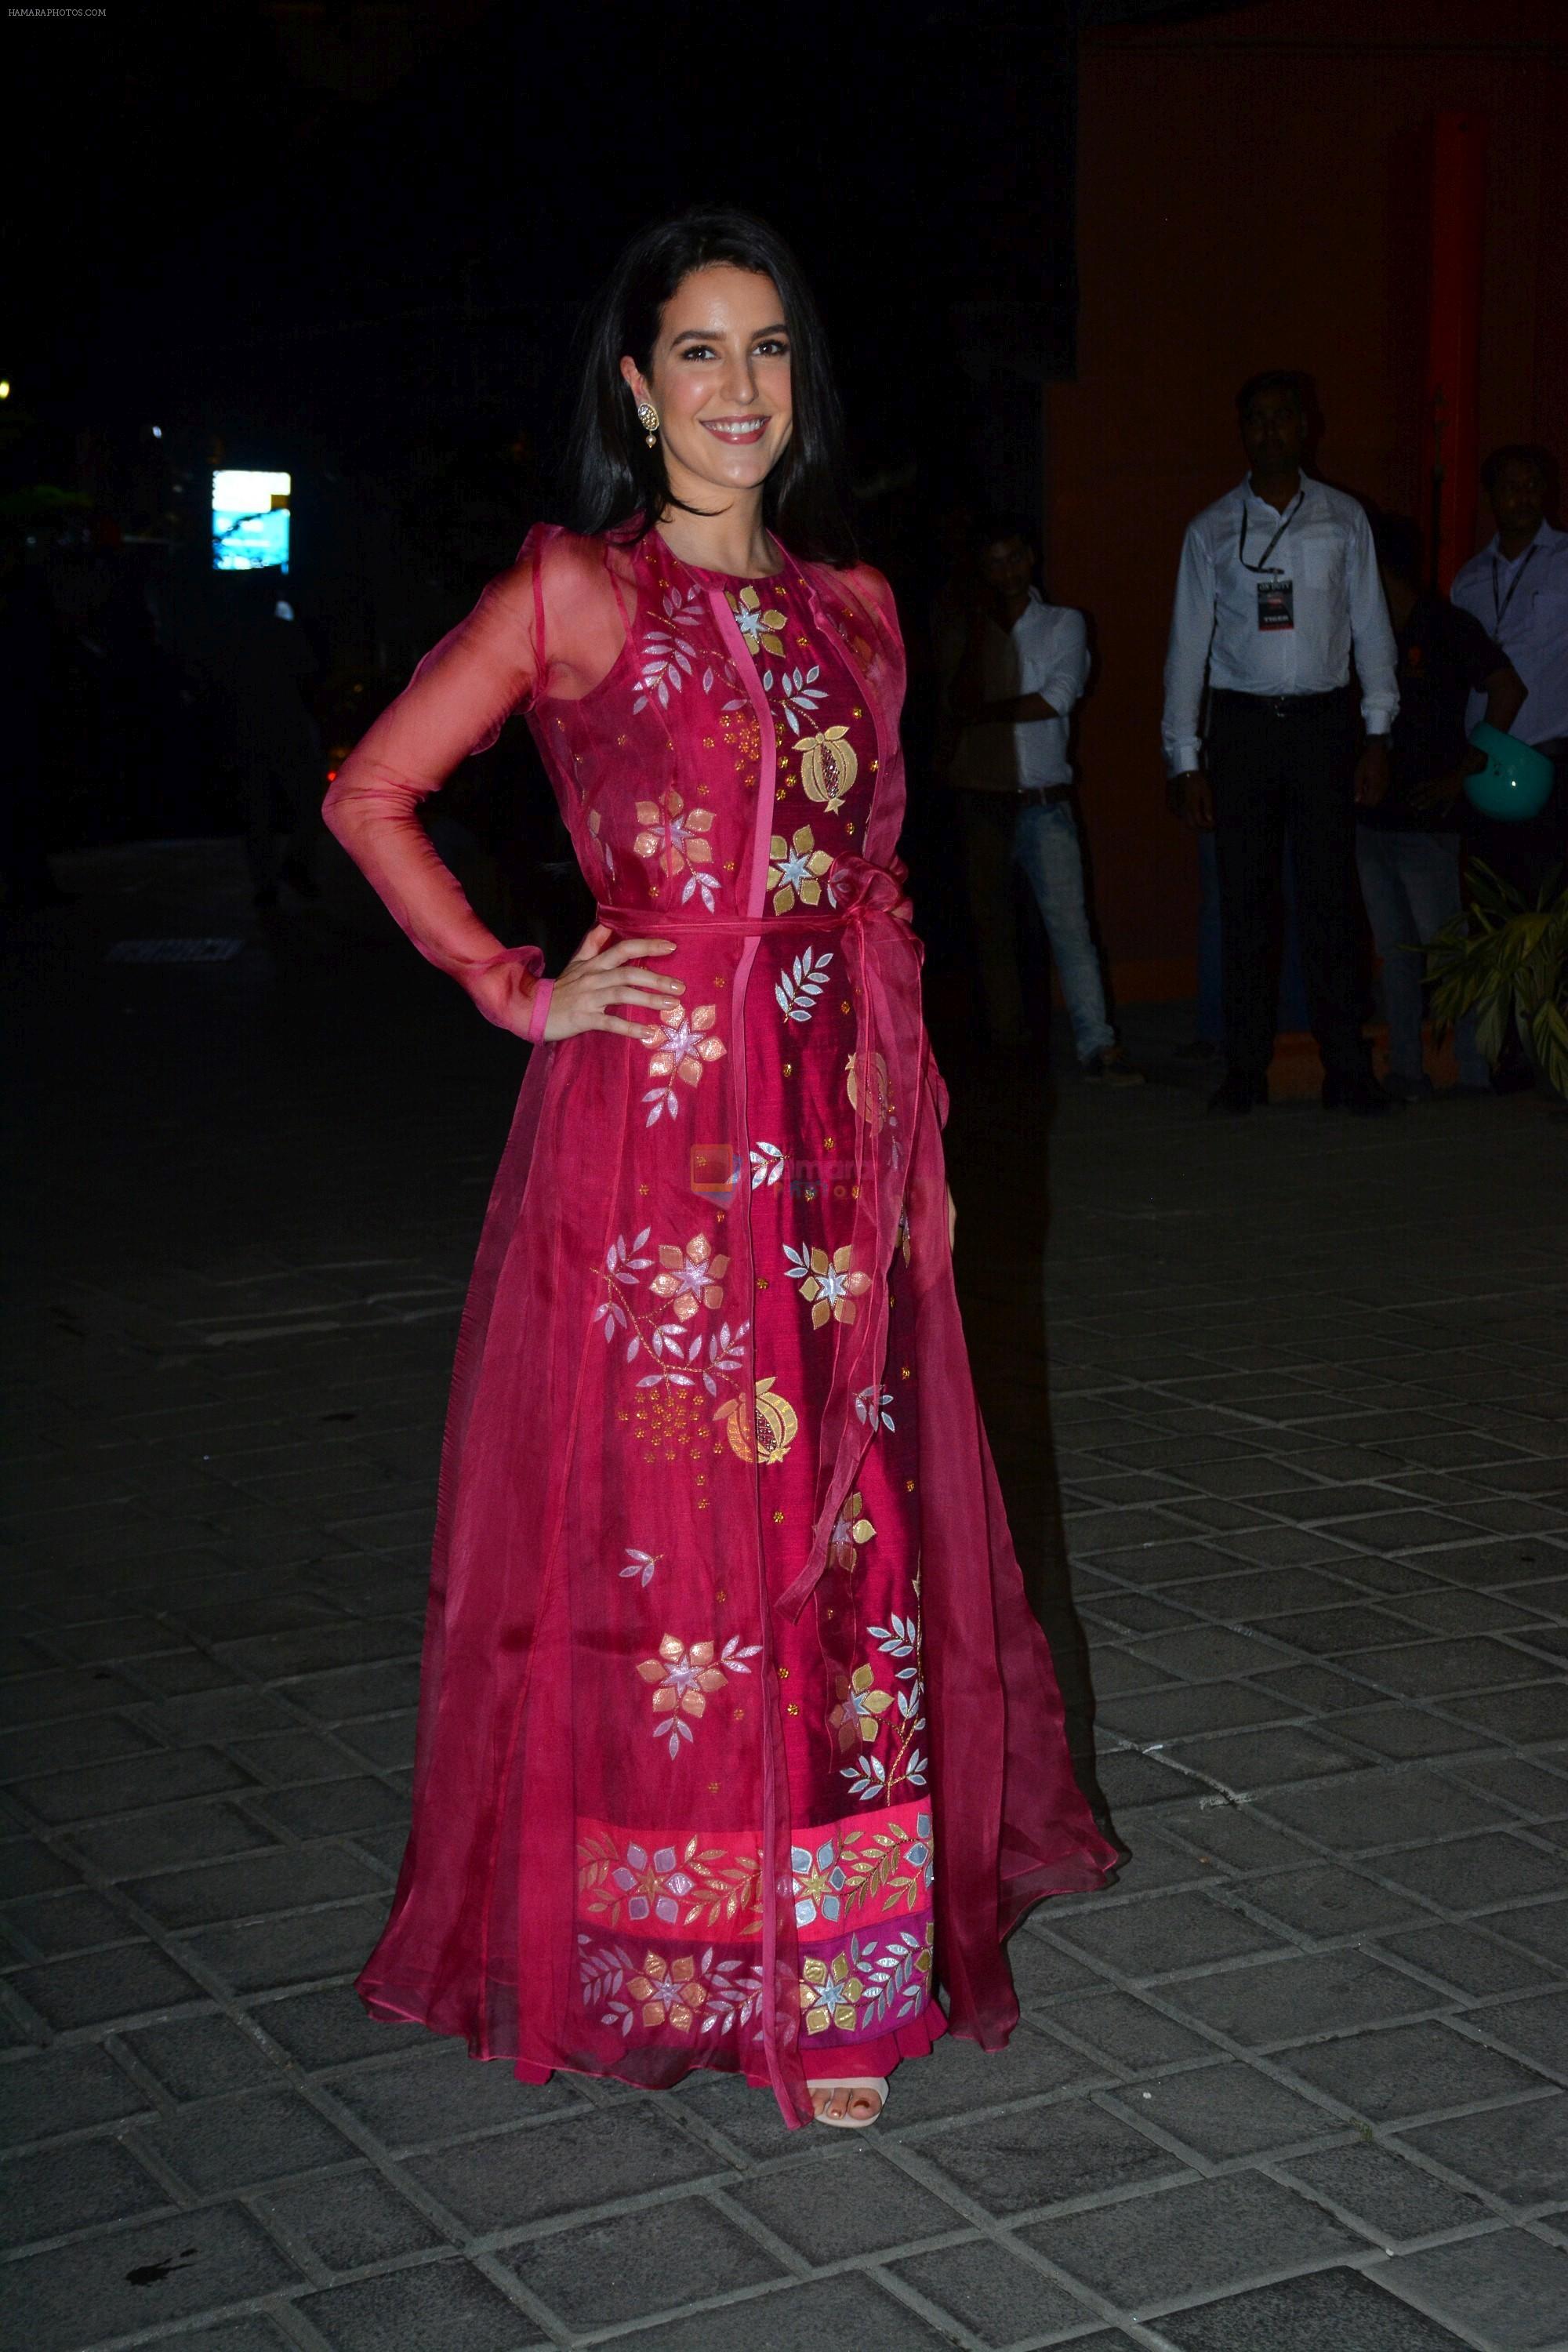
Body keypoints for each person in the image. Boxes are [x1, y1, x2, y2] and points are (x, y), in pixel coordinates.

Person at [324, 210, 1115, 2135]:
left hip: (840, 1118)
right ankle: (684, 1945)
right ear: (633, 385)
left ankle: (837, 1966)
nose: (737, 389)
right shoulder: (574, 589)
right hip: (659, 1137)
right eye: (697, 351)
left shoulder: (853, 604)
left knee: (847, 1525)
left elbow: (882, 891)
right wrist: (514, 979)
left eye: (766, 351)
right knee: (676, 1546)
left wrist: (909, 1138)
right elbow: (369, 790)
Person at [1163, 370, 1399, 1114]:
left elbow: (1372, 630)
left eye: (1281, 419)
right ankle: (1245, 1070)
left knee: (1332, 901)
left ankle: (1347, 1070)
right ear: (1245, 434)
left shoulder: (1343, 520)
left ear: (1306, 428)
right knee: (1245, 906)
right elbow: (1186, 650)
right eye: (1255, 421)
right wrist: (1185, 757)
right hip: (1242, 733)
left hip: (1325, 728)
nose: (1269, 432)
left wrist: (1378, 734)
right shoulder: (1209, 531)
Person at [938, 517, 1142, 1082]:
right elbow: (952, 700)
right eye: (994, 562)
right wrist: (980, 636)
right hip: (983, 799)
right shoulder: (971, 627)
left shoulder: (1063, 624)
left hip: (1044, 799)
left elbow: (1055, 700)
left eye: (1013, 559)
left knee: (1070, 928)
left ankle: (1097, 1043)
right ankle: (1007, 1049)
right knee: (990, 930)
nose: (1006, 571)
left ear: (1030, 560)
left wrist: (985, 715)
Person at [1359, 512, 1524, 1099]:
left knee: (1446, 953)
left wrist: (1467, 770)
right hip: (1373, 815)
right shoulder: (1365, 629)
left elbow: (1507, 687)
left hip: (1429, 817)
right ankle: (1408, 1070)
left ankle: (1475, 1073)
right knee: (1397, 952)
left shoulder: (1446, 625)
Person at [1450, 445, 1566, 902]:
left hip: (1551, 765)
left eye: (1534, 485)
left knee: (1547, 916)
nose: (1525, 497)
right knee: (1488, 912)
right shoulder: (1469, 579)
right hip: (1483, 769)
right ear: (1492, 498)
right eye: (1512, 487)